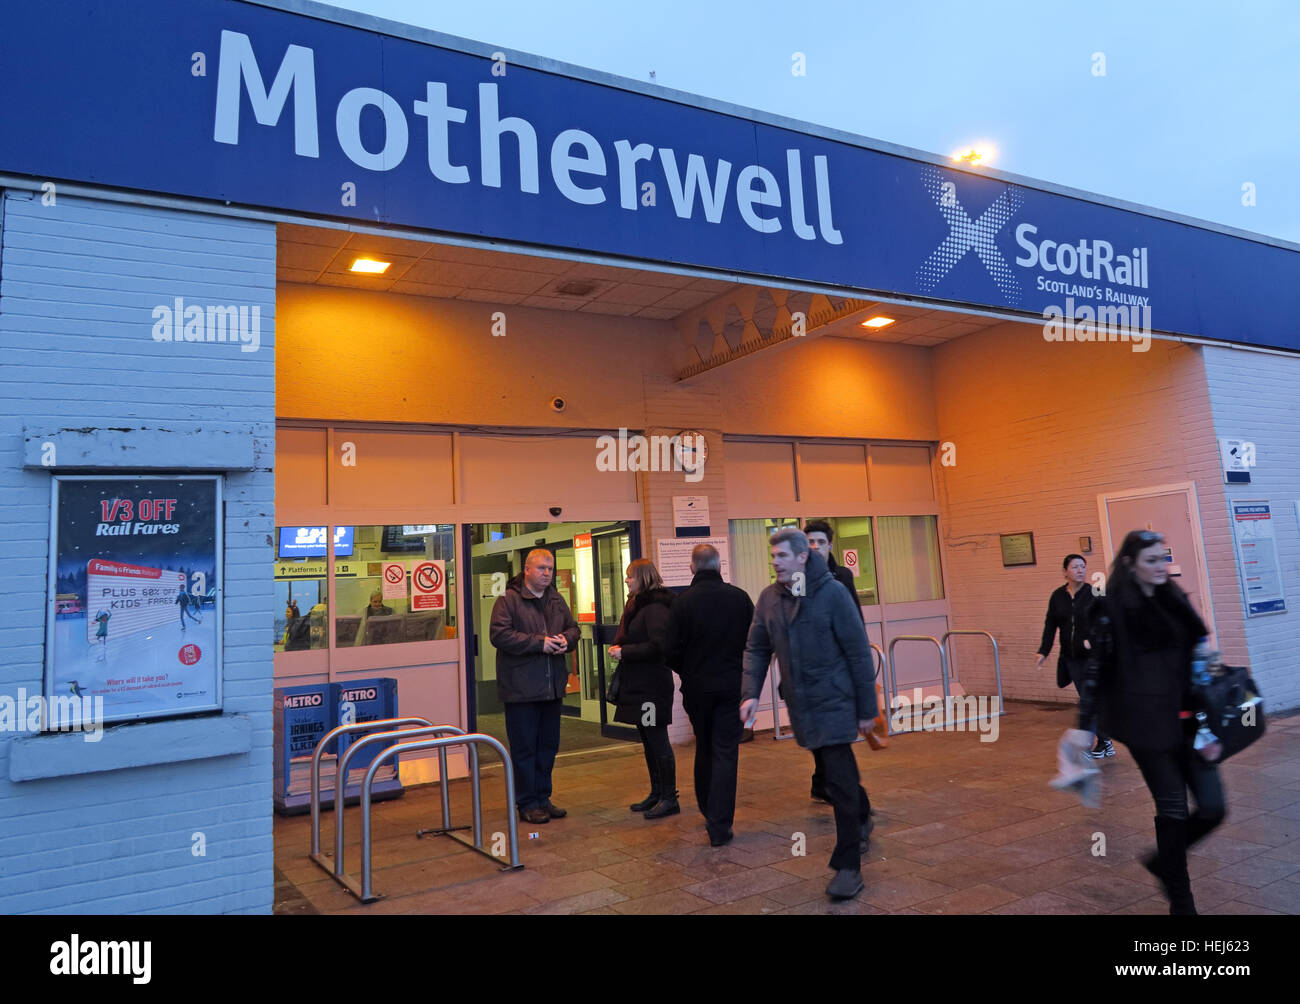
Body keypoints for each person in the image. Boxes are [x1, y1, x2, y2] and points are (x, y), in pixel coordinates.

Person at [1078, 529, 1224, 915]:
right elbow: (1096, 672)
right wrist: (1082, 728)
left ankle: (1163, 862)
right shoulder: (1112, 610)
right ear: (1130, 564)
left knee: (1213, 808)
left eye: (1164, 559)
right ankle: (1182, 901)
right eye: (1152, 561)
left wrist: (1206, 663)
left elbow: (1197, 650)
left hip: (1190, 720)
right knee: (1173, 808)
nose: (1162, 567)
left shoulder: (1173, 598)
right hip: (1145, 726)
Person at [741, 528, 878, 900]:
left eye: (782, 556)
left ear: (803, 557)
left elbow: (858, 652)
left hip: (834, 701)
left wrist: (868, 709)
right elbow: (756, 648)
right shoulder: (770, 599)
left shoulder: (833, 593)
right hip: (802, 706)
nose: (776, 563)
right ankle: (863, 813)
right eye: (773, 557)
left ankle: (849, 867)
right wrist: (750, 694)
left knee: (839, 780)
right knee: (837, 778)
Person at [665, 544, 754, 846]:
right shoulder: (739, 599)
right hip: (732, 688)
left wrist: (688, 671)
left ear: (692, 567)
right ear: (719, 566)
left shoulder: (682, 603)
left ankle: (707, 809)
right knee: (726, 752)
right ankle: (720, 823)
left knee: (704, 747)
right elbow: (753, 643)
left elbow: (669, 651)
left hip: (698, 689)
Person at [489, 548, 580, 824]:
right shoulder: (508, 600)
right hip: (521, 690)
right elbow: (499, 635)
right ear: (527, 570)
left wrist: (566, 639)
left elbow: (574, 628)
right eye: (541, 568)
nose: (547, 574)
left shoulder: (555, 599)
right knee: (525, 749)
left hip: (551, 689)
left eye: (550, 569)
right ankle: (527, 802)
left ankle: (543, 798)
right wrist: (539, 643)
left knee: (547, 747)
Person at [804, 519, 874, 838]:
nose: (814, 546)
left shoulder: (840, 577)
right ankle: (826, 786)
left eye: (819, 541)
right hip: (810, 677)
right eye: (809, 541)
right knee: (824, 743)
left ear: (830, 545)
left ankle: (855, 815)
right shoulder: (797, 579)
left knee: (836, 748)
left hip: (837, 676)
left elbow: (855, 624)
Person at [608, 559, 679, 819]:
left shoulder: (655, 607)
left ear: (643, 578)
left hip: (651, 686)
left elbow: (659, 646)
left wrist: (624, 651)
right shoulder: (637, 604)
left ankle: (670, 797)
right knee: (648, 740)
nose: (626, 580)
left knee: (657, 740)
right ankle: (657, 793)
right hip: (639, 683)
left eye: (630, 576)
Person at [1037, 554, 1112, 758]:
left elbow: (1106, 619)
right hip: (1072, 657)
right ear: (1065, 572)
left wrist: (1094, 639)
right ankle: (1105, 742)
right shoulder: (1057, 596)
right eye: (1075, 567)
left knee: (1089, 699)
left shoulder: (1095, 591)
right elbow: (1050, 625)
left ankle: (1085, 746)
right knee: (1088, 699)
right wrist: (1043, 651)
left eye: (1083, 566)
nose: (1080, 570)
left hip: (1093, 657)